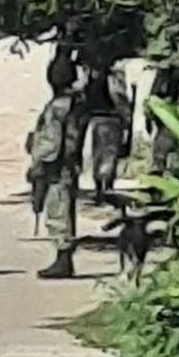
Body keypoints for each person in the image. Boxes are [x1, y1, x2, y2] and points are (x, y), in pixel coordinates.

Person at [27, 54, 87, 279]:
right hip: (68, 164)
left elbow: (52, 140)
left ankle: (63, 260)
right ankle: (64, 259)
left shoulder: (59, 106)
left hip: (58, 166)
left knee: (58, 210)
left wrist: (38, 164)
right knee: (63, 208)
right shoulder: (75, 102)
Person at [84, 63, 133, 202]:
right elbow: (120, 98)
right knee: (108, 155)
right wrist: (127, 119)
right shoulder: (114, 77)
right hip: (111, 119)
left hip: (98, 120)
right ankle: (106, 189)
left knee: (99, 155)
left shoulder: (96, 76)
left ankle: (101, 188)